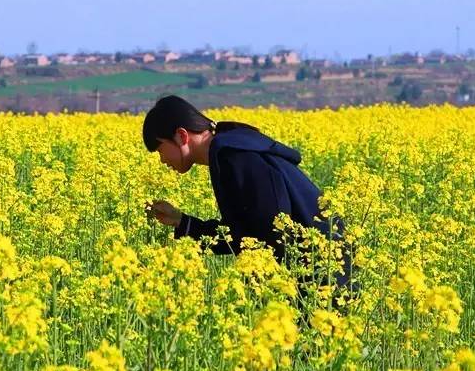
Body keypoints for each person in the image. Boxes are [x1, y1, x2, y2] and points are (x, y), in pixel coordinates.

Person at [142, 94, 358, 309]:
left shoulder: (235, 156)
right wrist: (181, 221)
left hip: (324, 275)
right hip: (319, 266)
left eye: (160, 149)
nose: (162, 160)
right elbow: (245, 232)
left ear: (181, 136)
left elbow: (266, 231)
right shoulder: (231, 148)